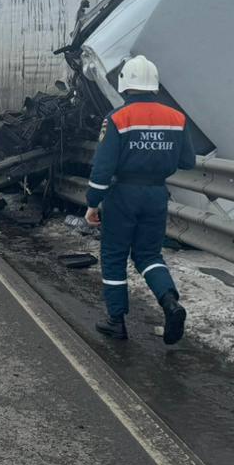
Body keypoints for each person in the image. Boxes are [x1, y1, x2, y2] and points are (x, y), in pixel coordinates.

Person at [85, 55, 194, 344]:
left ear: (125, 84)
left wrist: (93, 202)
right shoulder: (177, 117)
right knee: (149, 255)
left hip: (123, 195)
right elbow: (188, 161)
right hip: (157, 194)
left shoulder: (117, 118)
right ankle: (171, 303)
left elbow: (103, 167)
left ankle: (116, 321)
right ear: (154, 84)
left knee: (114, 256)